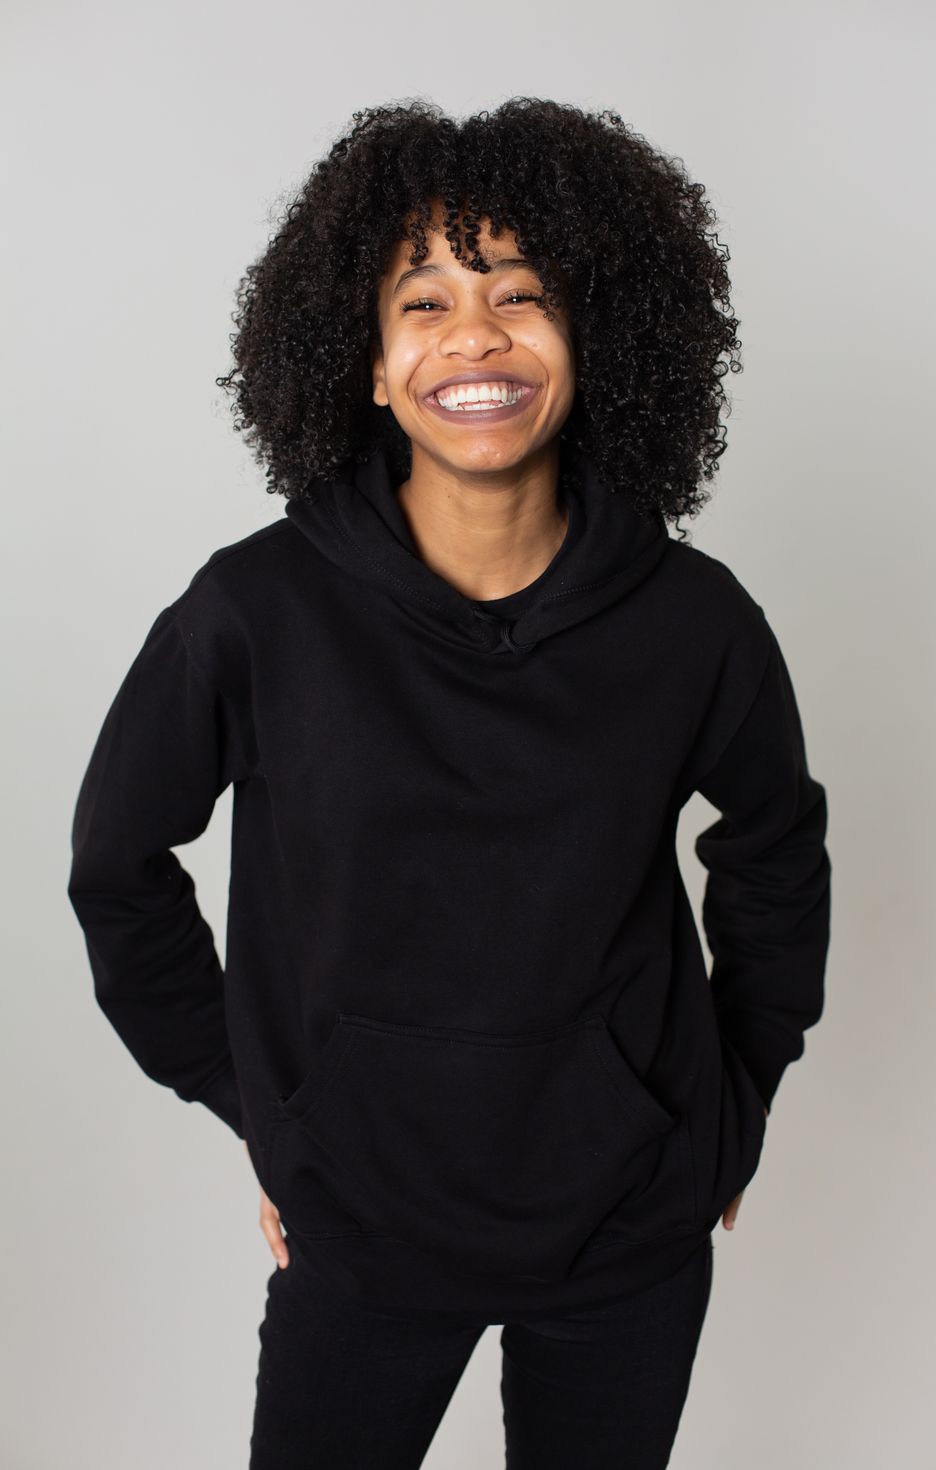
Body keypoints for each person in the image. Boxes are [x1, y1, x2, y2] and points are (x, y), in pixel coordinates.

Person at [67, 97, 831, 1469]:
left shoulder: (693, 621)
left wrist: (734, 1101)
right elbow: (118, 865)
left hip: (629, 1231)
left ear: (593, 340)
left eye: (521, 294)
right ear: (368, 365)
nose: (474, 336)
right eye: (424, 301)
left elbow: (776, 850)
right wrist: (258, 1103)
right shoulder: (256, 612)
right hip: (362, 1225)